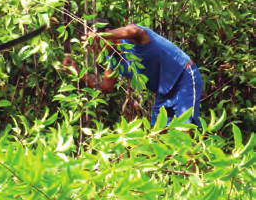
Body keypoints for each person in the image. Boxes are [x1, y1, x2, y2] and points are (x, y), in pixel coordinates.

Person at [63, 19, 203, 128]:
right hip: (165, 91)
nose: (96, 50)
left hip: (184, 78)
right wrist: (77, 72)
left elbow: (136, 31)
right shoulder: (112, 59)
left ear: (106, 32)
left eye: (96, 44)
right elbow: (106, 86)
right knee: (157, 135)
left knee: (185, 133)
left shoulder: (132, 38)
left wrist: (101, 36)